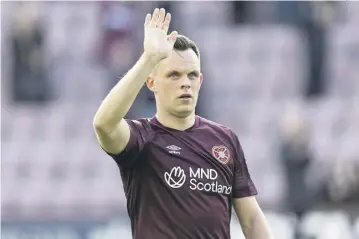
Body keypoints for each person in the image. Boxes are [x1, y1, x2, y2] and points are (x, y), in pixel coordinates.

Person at [93, 8, 273, 239]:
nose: (185, 83)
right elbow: (103, 124)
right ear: (151, 83)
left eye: (191, 75)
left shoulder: (225, 140)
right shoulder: (142, 139)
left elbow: (252, 219)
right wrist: (149, 59)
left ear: (200, 81)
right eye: (174, 75)